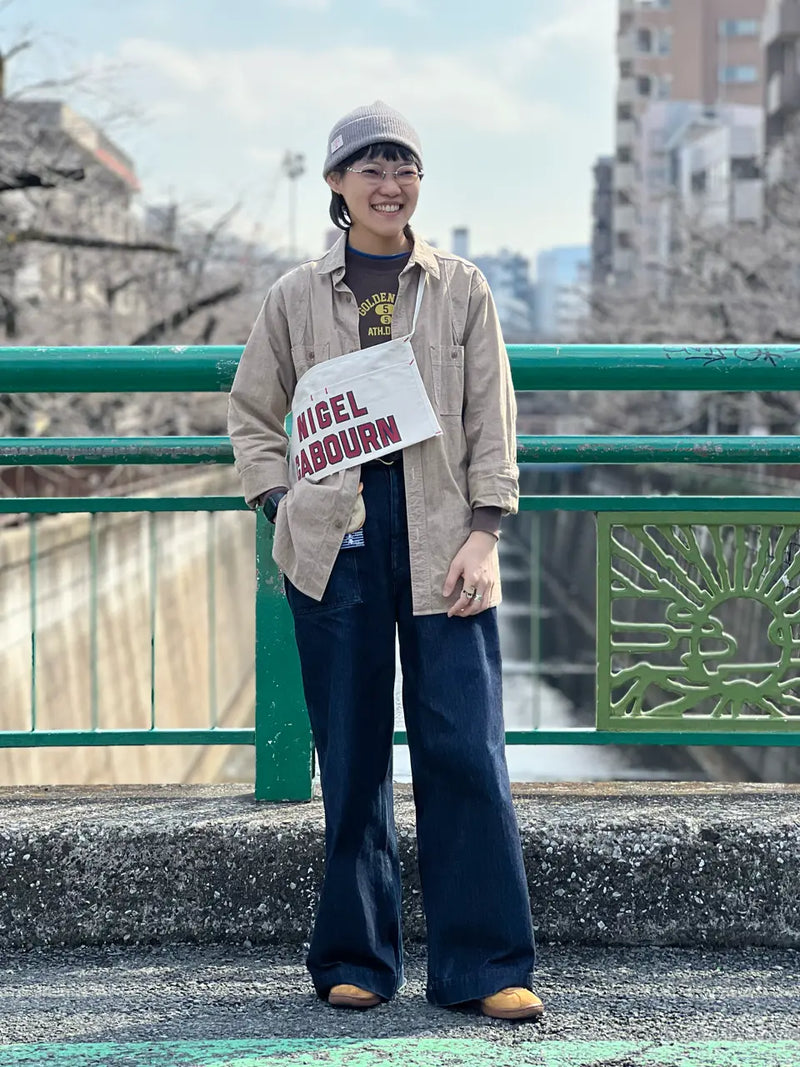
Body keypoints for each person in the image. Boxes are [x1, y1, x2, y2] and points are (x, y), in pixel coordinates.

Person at [228, 101, 542, 1022]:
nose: (389, 183)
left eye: (403, 166)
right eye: (370, 168)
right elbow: (254, 415)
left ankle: (485, 965)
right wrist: (281, 501)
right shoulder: (295, 295)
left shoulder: (462, 287)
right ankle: (357, 954)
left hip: (446, 538)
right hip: (337, 544)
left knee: (465, 751)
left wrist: (487, 531)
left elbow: (494, 418)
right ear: (336, 185)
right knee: (353, 756)